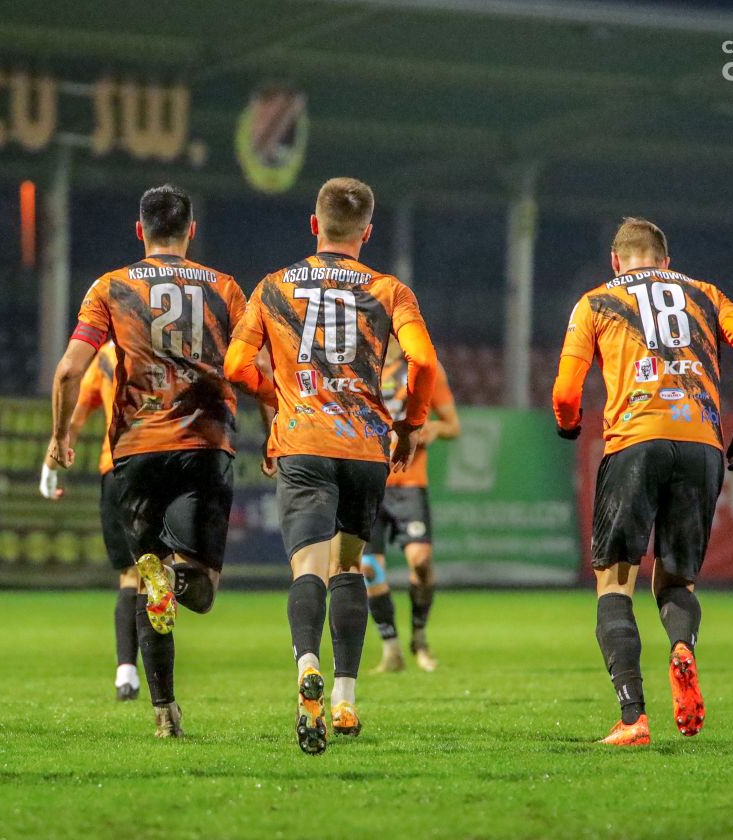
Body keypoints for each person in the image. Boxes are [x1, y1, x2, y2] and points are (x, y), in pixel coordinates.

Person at [225, 177, 439, 755]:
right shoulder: (390, 290)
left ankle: (307, 667)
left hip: (304, 442)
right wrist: (409, 425)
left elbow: (236, 364)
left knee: (308, 569)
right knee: (350, 566)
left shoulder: (273, 286)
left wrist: (278, 397)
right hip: (365, 448)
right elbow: (422, 362)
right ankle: (344, 698)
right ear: (367, 233)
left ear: (314, 225)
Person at [552, 217, 733, 746]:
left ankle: (633, 718)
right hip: (701, 441)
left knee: (614, 582)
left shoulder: (597, 300)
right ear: (666, 262)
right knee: (675, 581)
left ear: (616, 260)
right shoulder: (705, 293)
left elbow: (566, 388)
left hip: (636, 440)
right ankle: (682, 647)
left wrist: (568, 421)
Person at [47, 185, 247, 738]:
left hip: (134, 452)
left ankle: (164, 713)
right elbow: (252, 365)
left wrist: (60, 436)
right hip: (204, 446)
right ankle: (177, 579)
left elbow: (68, 371)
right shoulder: (225, 288)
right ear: (191, 230)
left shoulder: (110, 288)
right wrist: (276, 419)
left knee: (145, 575)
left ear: (140, 230)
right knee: (200, 589)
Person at [40, 342, 143, 701]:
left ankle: (126, 674)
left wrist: (49, 467)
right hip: (164, 462)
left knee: (131, 575)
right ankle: (159, 680)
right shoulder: (167, 343)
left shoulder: (105, 356)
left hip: (117, 467)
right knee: (159, 571)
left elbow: (76, 414)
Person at [363, 346, 459, 673]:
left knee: (421, 563)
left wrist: (434, 429)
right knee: (369, 568)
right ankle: (391, 649)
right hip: (370, 482)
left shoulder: (424, 368)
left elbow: (453, 425)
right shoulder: (362, 364)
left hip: (409, 485)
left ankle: (419, 635)